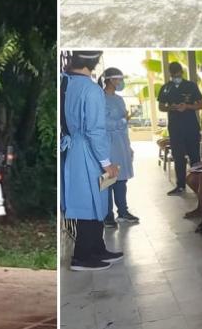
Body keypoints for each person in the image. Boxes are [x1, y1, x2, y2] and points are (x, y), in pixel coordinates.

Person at [61, 51, 123, 271]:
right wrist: (106, 162)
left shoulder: (66, 82)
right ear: (95, 61)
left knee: (95, 201)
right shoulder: (90, 89)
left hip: (74, 149)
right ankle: (82, 256)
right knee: (90, 203)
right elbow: (95, 130)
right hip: (88, 151)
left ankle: (97, 248)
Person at [99, 67, 139, 227]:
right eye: (118, 79)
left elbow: (124, 124)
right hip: (108, 144)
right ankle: (107, 215)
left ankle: (123, 212)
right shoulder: (100, 99)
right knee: (109, 179)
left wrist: (128, 146)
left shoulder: (119, 99)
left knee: (121, 180)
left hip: (121, 143)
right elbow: (103, 123)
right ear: (110, 80)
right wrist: (122, 121)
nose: (121, 82)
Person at [158, 61, 202, 195]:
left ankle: (198, 185)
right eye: (174, 76)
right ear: (170, 74)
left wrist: (187, 106)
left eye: (178, 75)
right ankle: (180, 186)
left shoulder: (191, 86)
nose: (176, 77)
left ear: (182, 73)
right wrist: (170, 108)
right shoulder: (166, 88)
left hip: (191, 127)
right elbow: (161, 106)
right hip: (175, 128)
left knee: (195, 157)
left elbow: (201, 105)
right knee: (178, 157)